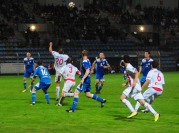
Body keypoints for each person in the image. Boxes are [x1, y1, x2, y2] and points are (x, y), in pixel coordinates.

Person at [120, 55, 160, 122]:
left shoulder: (129, 67)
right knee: (143, 103)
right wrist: (126, 83)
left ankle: (133, 111)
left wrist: (134, 82)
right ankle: (156, 114)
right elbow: (132, 77)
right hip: (136, 87)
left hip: (134, 87)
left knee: (122, 98)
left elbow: (137, 73)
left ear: (124, 60)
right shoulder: (128, 67)